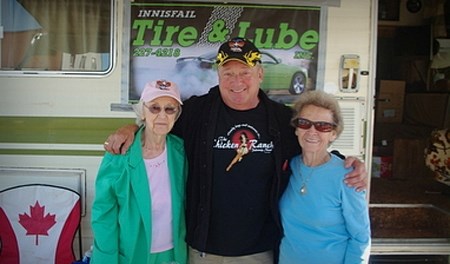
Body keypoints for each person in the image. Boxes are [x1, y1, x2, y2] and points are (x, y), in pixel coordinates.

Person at [103, 37, 368, 264]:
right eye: (228, 73)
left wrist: (346, 162)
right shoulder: (197, 112)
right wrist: (131, 128)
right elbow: (158, 125)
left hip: (259, 251)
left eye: (245, 72)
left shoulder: (281, 120)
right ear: (217, 76)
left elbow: (312, 146)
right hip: (203, 249)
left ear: (260, 74)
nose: (236, 81)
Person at [91, 80, 188, 264]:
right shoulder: (119, 155)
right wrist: (105, 259)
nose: (162, 115)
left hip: (172, 256)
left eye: (170, 109)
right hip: (132, 255)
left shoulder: (180, 151)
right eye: (154, 108)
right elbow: (104, 214)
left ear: (176, 115)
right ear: (142, 112)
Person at [279, 90, 371, 264]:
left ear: (333, 134)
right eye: (305, 123)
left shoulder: (348, 176)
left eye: (323, 126)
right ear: (297, 129)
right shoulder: (288, 166)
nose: (312, 131)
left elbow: (360, 238)